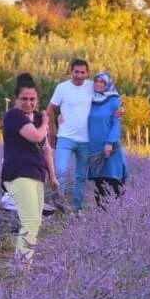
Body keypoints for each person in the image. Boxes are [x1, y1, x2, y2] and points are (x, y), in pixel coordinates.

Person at [1, 74, 58, 262]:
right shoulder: (14, 116)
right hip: (19, 173)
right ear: (16, 99)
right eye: (24, 99)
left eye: (32, 99)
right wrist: (45, 123)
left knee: (35, 222)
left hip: (37, 174)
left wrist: (53, 176)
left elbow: (47, 149)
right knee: (30, 221)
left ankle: (24, 263)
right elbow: (36, 136)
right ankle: (21, 267)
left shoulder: (37, 119)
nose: (28, 103)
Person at [47, 57, 93, 212]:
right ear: (70, 72)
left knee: (81, 176)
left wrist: (118, 110)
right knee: (60, 172)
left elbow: (110, 100)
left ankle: (77, 209)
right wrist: (52, 131)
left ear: (87, 73)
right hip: (65, 137)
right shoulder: (62, 88)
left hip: (86, 139)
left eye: (82, 72)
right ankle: (57, 206)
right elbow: (51, 108)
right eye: (76, 72)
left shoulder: (93, 87)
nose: (79, 75)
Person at [87, 70, 126, 205]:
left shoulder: (114, 100)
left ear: (108, 84)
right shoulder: (89, 100)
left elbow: (116, 123)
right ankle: (101, 220)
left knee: (113, 180)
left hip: (109, 147)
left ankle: (118, 216)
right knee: (99, 185)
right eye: (96, 81)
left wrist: (110, 142)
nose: (99, 84)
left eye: (103, 82)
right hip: (93, 148)